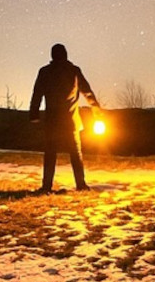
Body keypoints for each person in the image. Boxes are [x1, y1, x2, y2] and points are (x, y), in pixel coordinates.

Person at [28, 42, 101, 193]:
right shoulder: (73, 71)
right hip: (71, 121)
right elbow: (87, 91)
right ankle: (81, 184)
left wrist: (34, 113)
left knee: (50, 154)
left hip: (53, 121)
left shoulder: (45, 72)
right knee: (75, 153)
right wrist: (96, 109)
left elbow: (37, 94)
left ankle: (47, 186)